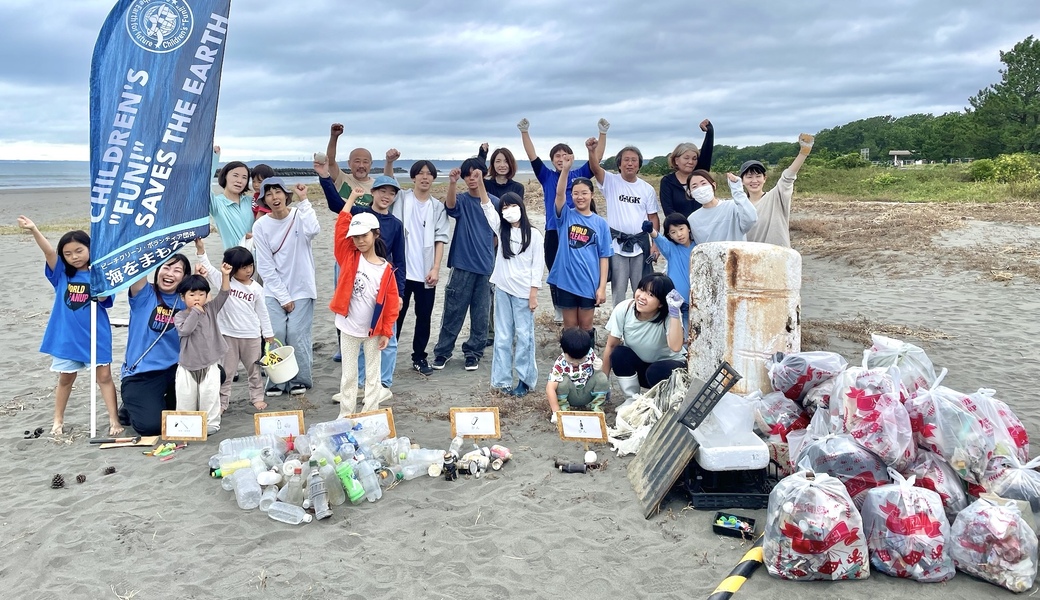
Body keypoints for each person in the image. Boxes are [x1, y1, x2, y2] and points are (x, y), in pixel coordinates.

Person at [18, 218, 121, 436]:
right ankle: (58, 420)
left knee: (104, 378)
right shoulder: (61, 275)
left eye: (79, 251)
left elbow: (106, 300)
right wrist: (34, 229)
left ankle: (114, 420)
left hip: (95, 335)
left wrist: (100, 289)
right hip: (67, 337)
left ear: (90, 249)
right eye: (68, 253)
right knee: (66, 378)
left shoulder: (99, 274)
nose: (74, 257)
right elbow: (48, 253)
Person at [317, 162, 405, 389]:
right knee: (361, 336)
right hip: (358, 281)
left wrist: (400, 293)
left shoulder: (396, 225)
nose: (386, 196)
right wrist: (325, 177)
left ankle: (383, 384)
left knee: (387, 336)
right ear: (372, 192)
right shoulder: (360, 214)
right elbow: (338, 209)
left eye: (391, 193)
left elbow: (400, 261)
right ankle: (360, 383)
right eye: (382, 191)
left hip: (383, 283)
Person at [518, 117, 608, 321]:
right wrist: (525, 132)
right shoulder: (546, 176)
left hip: (578, 230)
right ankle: (559, 308)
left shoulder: (579, 174)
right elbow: (532, 156)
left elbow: (597, 159)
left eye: (564, 155)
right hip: (554, 229)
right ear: (552, 160)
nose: (561, 159)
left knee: (579, 267)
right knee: (555, 269)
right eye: (557, 156)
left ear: (571, 158)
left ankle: (583, 302)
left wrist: (602, 134)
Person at [329, 208, 400, 417]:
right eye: (356, 237)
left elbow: (391, 305)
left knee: (373, 376)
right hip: (348, 328)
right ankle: (346, 414)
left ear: (376, 234)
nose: (360, 241)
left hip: (373, 332)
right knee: (348, 375)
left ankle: (370, 414)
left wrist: (386, 331)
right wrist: (351, 199)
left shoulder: (386, 269)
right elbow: (340, 230)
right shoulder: (349, 257)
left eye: (364, 235)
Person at [252, 178, 320, 397]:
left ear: (286, 195)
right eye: (269, 194)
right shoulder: (260, 225)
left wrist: (304, 199)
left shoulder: (300, 215)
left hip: (302, 288)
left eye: (278, 191)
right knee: (275, 333)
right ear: (264, 200)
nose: (274, 197)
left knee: (297, 333)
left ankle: (300, 379)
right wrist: (283, 297)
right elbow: (265, 266)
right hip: (274, 289)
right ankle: (277, 380)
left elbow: (314, 230)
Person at [382, 157, 449, 376]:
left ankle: (419, 357)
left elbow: (440, 238)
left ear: (433, 178)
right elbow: (388, 181)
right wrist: (389, 162)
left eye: (429, 173)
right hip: (399, 272)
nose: (425, 177)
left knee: (424, 316)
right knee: (395, 315)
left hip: (425, 273)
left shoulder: (437, 207)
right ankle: (386, 356)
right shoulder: (401, 198)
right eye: (420, 173)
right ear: (413, 177)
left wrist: (436, 268)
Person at [431, 159, 499, 372]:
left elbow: (500, 232)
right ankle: (443, 352)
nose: (472, 178)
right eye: (467, 175)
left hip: (486, 267)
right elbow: (450, 207)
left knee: (481, 315)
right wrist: (452, 183)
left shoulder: (495, 202)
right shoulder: (461, 199)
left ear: (484, 175)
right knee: (453, 311)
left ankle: (473, 353)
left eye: (476, 174)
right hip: (462, 264)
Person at [195, 239, 275, 412]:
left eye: (250, 266)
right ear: (231, 267)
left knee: (254, 370)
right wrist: (200, 248)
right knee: (227, 372)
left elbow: (263, 312)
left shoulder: (257, 288)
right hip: (227, 335)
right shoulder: (224, 281)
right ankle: (222, 403)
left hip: (251, 335)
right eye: (243, 267)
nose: (248, 270)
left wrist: (267, 333)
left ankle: (257, 398)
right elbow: (207, 266)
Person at [546, 147, 612, 339]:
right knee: (570, 328)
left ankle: (587, 356)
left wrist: (601, 287)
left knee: (586, 327)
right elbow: (559, 195)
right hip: (566, 282)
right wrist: (566, 169)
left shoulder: (600, 223)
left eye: (584, 193)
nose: (580, 197)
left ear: (592, 195)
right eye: (575, 193)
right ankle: (569, 357)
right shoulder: (565, 216)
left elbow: (604, 257)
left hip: (588, 282)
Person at [120, 253, 190, 436]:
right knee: (151, 427)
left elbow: (208, 311)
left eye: (177, 270)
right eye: (166, 267)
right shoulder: (144, 294)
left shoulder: (185, 301)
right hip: (142, 373)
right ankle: (131, 406)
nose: (170, 273)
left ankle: (157, 403)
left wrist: (201, 278)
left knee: (216, 373)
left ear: (184, 277)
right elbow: (137, 266)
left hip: (175, 370)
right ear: (157, 270)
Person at [588, 143, 661, 304]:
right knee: (618, 289)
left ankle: (640, 316)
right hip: (617, 245)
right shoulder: (611, 181)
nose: (630, 163)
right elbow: (595, 169)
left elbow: (653, 217)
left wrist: (655, 245)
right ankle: (618, 318)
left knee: (642, 288)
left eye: (634, 160)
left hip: (640, 245)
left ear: (639, 165)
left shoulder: (647, 189)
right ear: (619, 164)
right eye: (626, 160)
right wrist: (592, 151)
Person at [601, 274, 687, 408]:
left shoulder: (670, 315)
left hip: (668, 370)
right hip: (641, 368)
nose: (642, 297)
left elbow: (676, 347)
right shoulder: (624, 309)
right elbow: (611, 346)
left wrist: (675, 313)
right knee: (619, 353)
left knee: (655, 371)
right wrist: (603, 382)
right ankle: (632, 399)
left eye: (651, 295)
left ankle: (663, 403)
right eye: (641, 289)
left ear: (661, 303)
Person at [489, 192, 544, 397]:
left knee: (524, 336)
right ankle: (501, 381)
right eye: (504, 207)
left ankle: (525, 380)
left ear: (521, 206)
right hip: (503, 289)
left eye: (512, 206)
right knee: (503, 336)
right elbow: (486, 206)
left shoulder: (534, 235)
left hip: (523, 293)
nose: (508, 210)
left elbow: (537, 267)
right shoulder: (501, 229)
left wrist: (533, 294)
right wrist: (480, 180)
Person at [174, 269, 230, 435]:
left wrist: (225, 275)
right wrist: (196, 312)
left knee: (209, 394)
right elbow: (185, 330)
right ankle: (185, 424)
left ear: (207, 295)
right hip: (187, 365)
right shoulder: (180, 316)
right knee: (185, 397)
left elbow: (225, 293)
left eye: (201, 294)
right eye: (192, 295)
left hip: (209, 363)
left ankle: (211, 423)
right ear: (183, 297)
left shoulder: (211, 309)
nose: (197, 298)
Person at [742, 133, 815, 247]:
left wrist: (803, 153)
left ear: (764, 178)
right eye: (749, 177)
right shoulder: (738, 206)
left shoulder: (775, 197)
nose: (754, 181)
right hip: (750, 256)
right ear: (742, 180)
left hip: (778, 255)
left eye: (758, 176)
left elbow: (787, 178)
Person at [642, 213, 695, 333]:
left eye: (681, 229)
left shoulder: (698, 247)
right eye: (673, 232)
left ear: (688, 228)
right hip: (675, 301)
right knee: (672, 329)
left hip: (694, 300)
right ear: (669, 235)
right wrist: (651, 230)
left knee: (691, 332)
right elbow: (659, 239)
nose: (679, 234)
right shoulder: (670, 248)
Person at [546, 328, 610, 420]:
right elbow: (550, 388)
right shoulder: (560, 363)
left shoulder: (590, 354)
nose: (576, 363)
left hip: (587, 393)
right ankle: (564, 412)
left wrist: (598, 368)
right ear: (564, 351)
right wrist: (556, 412)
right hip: (570, 396)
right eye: (571, 360)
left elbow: (597, 376)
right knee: (562, 382)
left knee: (602, 377)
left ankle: (597, 409)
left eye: (580, 360)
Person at [659, 120, 715, 217]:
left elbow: (707, 152)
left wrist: (709, 130)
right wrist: (684, 224)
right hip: (679, 225)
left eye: (694, 158)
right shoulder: (667, 182)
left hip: (705, 223)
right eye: (686, 158)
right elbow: (668, 210)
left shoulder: (700, 176)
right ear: (676, 160)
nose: (690, 162)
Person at [685, 170, 758, 244]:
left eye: (703, 183)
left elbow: (751, 219)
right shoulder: (692, 219)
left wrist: (738, 191)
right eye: (694, 186)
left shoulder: (733, 206)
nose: (700, 189)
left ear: (713, 185)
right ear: (690, 193)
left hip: (735, 251)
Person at [209, 146, 254, 250]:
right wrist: (214, 158)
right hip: (233, 258)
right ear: (225, 176)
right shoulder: (217, 204)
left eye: (244, 177)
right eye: (235, 175)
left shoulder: (252, 202)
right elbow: (204, 184)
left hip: (258, 258)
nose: (239, 181)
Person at [324, 123, 375, 209]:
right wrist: (334, 137)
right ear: (349, 163)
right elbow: (330, 162)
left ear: (371, 164)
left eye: (365, 162)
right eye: (357, 161)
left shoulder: (376, 185)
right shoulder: (343, 179)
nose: (361, 165)